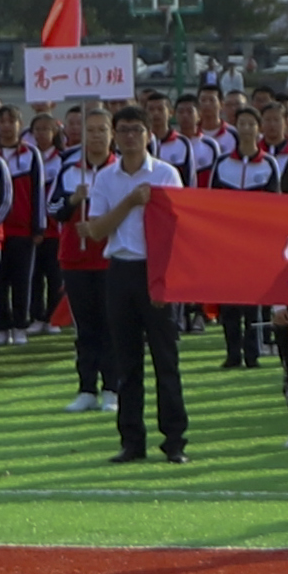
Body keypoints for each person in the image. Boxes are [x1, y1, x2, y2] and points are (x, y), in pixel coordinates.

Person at [85, 107, 187, 462]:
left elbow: (177, 230)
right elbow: (96, 230)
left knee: (166, 360)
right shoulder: (106, 179)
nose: (130, 136)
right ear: (116, 134)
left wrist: (166, 280)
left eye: (137, 130)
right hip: (120, 270)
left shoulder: (166, 174)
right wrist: (129, 201)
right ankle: (131, 441)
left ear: (149, 134)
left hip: (156, 271)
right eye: (124, 130)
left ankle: (174, 440)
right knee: (126, 363)